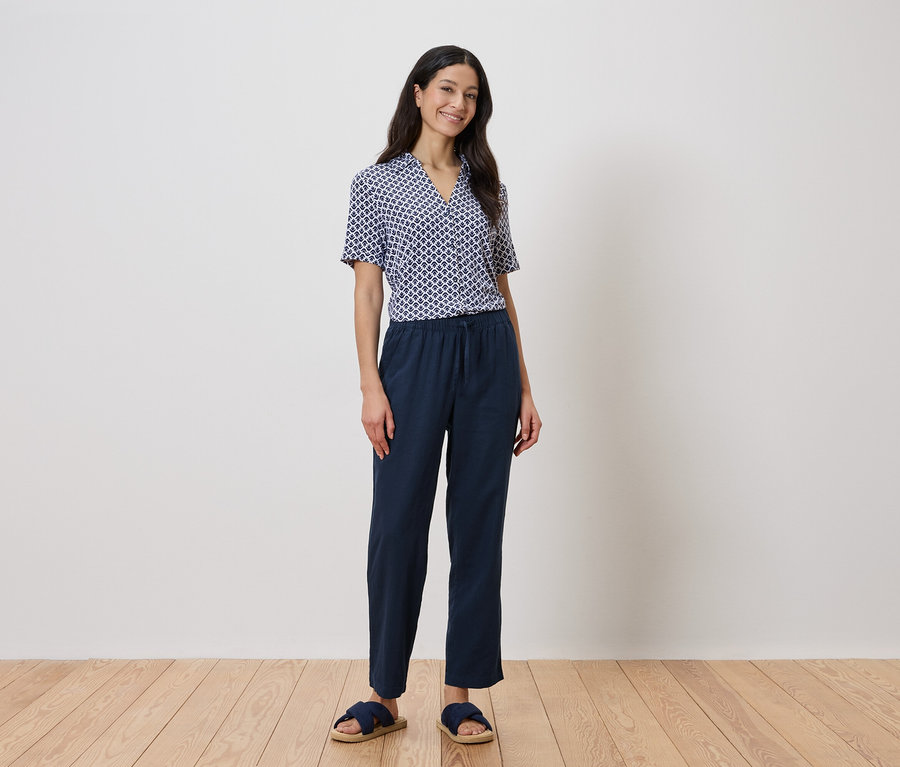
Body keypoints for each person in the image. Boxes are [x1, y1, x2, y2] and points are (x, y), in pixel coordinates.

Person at [331, 44, 541, 745]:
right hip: (414, 353)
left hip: (487, 352)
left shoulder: (488, 185)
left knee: (477, 523)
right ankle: (383, 693)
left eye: (472, 95)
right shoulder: (376, 183)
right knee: (396, 524)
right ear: (418, 92)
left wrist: (524, 386)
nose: (459, 104)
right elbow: (367, 291)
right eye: (448, 88)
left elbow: (504, 289)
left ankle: (461, 691)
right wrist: (370, 384)